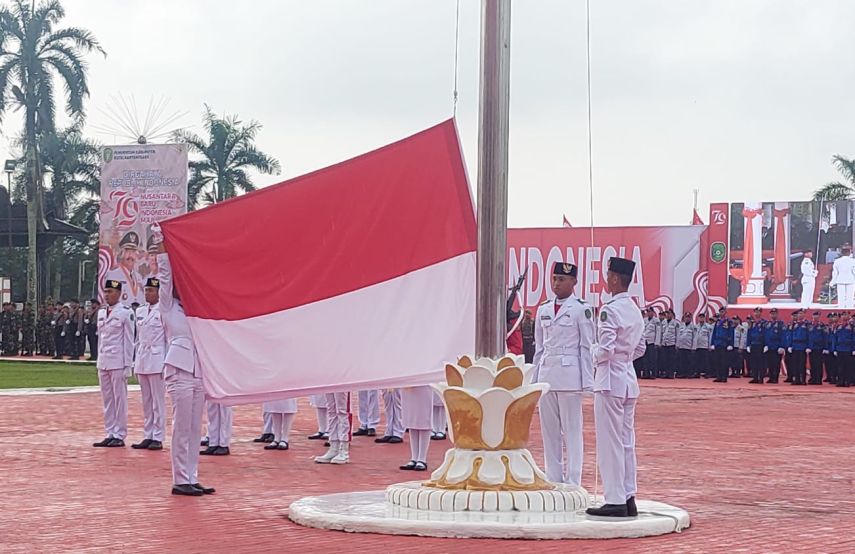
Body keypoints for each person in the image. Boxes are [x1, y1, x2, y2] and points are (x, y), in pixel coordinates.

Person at [152, 239, 215, 497]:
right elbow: (165, 277)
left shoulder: (196, 310)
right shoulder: (168, 307)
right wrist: (163, 246)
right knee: (181, 425)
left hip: (198, 370)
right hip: (178, 369)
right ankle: (180, 478)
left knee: (194, 427)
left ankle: (192, 476)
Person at [586, 257, 646, 518]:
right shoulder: (634, 309)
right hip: (628, 380)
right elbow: (640, 348)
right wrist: (624, 358)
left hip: (609, 381)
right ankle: (628, 495)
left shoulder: (610, 310)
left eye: (608, 275)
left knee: (610, 442)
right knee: (626, 442)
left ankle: (614, 500)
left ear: (614, 278)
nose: (606, 279)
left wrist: (591, 350)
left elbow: (606, 350)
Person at [532, 261, 594, 487]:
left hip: (570, 374)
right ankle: (553, 477)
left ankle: (573, 479)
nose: (556, 284)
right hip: (547, 373)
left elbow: (587, 346)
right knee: (549, 431)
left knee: (572, 430)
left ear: (574, 282)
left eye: (562, 280)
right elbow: (539, 347)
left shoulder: (581, 308)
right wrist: (534, 381)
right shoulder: (543, 309)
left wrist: (588, 381)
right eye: (555, 279)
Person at [92, 280, 134, 448]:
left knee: (120, 399)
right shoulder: (102, 313)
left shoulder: (125, 312)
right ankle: (110, 431)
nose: (107, 294)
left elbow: (129, 340)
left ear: (118, 293)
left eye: (110, 291)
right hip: (104, 361)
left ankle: (120, 433)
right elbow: (101, 339)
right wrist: (98, 360)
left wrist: (128, 364)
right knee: (107, 399)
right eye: (106, 291)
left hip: (118, 361)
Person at [131, 277, 167, 450]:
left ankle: (158, 436)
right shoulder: (141, 311)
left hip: (157, 357)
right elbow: (137, 339)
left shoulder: (164, 311)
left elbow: (168, 338)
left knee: (158, 401)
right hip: (143, 357)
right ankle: (148, 433)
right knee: (146, 400)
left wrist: (168, 362)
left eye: (151, 290)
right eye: (146, 290)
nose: (147, 293)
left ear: (160, 292)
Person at [104, 231, 146, 307]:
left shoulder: (139, 277)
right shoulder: (113, 275)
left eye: (133, 251)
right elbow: (109, 301)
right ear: (121, 254)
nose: (130, 256)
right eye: (127, 251)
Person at [400, 385, 433, 472]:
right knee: (411, 420)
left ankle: (422, 459)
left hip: (424, 384)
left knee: (424, 419)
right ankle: (414, 458)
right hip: (408, 385)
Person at [315, 391, 352, 464]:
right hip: (330, 381)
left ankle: (344, 450)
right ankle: (334, 448)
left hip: (343, 381)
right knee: (331, 410)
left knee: (343, 410)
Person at [764, 308, 786, 383]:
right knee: (769, 363)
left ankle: (775, 378)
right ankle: (771, 377)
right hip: (769, 346)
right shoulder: (767, 324)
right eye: (772, 314)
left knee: (776, 363)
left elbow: (783, 335)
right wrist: (766, 345)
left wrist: (782, 346)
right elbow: (766, 335)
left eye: (775, 313)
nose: (773, 315)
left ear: (777, 314)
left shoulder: (780, 324)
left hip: (777, 346)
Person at [710, 315, 733, 383]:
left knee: (724, 362)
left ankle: (724, 377)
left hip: (724, 344)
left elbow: (731, 332)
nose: (721, 313)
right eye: (720, 312)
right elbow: (714, 333)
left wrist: (730, 344)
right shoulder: (717, 322)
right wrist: (712, 343)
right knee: (717, 361)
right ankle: (718, 376)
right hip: (717, 343)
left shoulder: (728, 321)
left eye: (723, 312)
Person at [834, 315, 855, 388]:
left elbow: (853, 339)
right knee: (840, 366)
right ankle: (840, 381)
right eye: (843, 319)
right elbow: (835, 339)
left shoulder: (851, 328)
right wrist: (835, 349)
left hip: (848, 349)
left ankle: (847, 381)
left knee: (848, 366)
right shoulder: (838, 327)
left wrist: (853, 349)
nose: (844, 321)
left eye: (845, 319)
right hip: (839, 349)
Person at [807, 311, 827, 385]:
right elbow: (808, 337)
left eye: (817, 316)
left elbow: (825, 337)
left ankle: (818, 379)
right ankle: (813, 378)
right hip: (811, 348)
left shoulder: (822, 325)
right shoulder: (809, 325)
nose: (815, 317)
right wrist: (808, 346)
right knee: (812, 364)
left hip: (819, 347)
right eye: (814, 316)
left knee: (818, 364)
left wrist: (825, 347)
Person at [659, 310, 678, 378]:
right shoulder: (663, 322)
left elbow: (677, 334)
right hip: (664, 343)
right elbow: (661, 333)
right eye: (667, 314)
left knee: (671, 360)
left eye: (669, 314)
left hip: (672, 343)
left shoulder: (675, 323)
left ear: (672, 315)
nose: (667, 315)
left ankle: (671, 374)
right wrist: (660, 342)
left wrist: (677, 344)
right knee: (665, 359)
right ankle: (666, 373)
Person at [747, 316, 766, 383]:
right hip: (753, 344)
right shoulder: (752, 323)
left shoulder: (763, 323)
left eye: (758, 312)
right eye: (755, 312)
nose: (757, 314)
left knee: (760, 362)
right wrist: (748, 345)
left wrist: (765, 345)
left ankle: (761, 378)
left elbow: (765, 334)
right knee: (753, 362)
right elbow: (749, 334)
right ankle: (755, 377)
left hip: (760, 345)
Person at [640, 308, 658, 379]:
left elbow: (658, 332)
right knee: (645, 358)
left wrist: (657, 342)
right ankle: (646, 373)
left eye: (650, 312)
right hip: (645, 341)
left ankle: (653, 373)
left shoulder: (656, 321)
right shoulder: (644, 320)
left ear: (653, 312)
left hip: (652, 342)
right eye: (647, 312)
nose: (648, 313)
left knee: (652, 358)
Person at [675, 313, 695, 378]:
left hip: (689, 346)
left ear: (691, 318)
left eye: (688, 317)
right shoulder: (681, 326)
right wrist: (677, 345)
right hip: (681, 346)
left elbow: (695, 337)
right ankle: (682, 373)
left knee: (689, 361)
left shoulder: (693, 327)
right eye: (686, 317)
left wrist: (693, 347)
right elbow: (678, 335)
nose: (687, 318)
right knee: (681, 361)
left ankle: (689, 374)